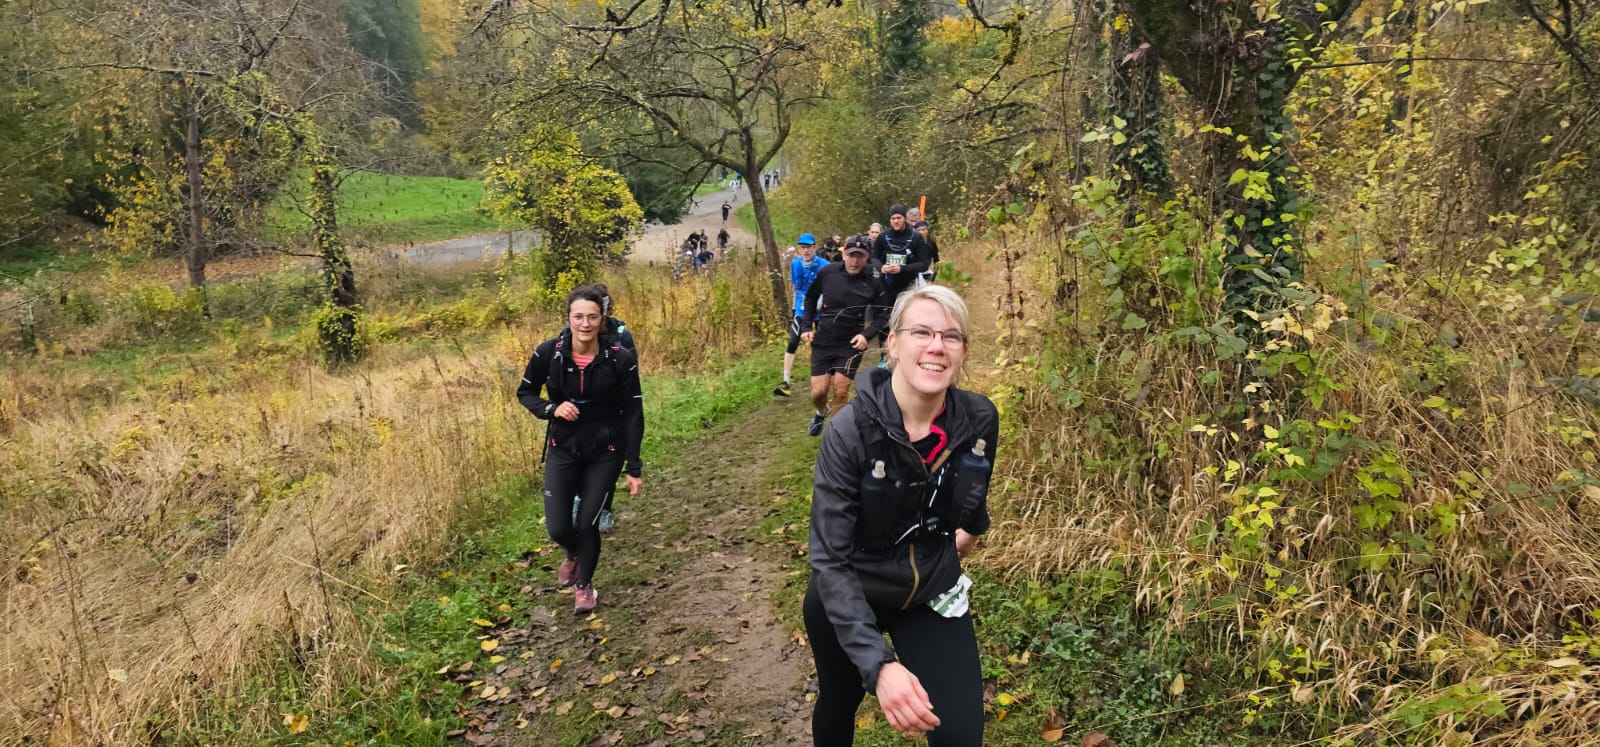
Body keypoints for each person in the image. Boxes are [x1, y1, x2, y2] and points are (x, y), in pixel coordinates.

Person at [806, 284, 997, 746]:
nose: (937, 346)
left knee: (960, 735)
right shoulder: (849, 431)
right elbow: (829, 559)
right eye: (922, 332)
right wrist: (881, 666)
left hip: (930, 588)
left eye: (951, 336)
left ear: (963, 350)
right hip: (853, 589)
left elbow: (973, 491)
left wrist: (970, 531)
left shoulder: (978, 418)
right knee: (838, 702)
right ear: (892, 343)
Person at [517, 287, 645, 614]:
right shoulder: (549, 353)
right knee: (558, 528)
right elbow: (526, 392)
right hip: (563, 448)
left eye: (592, 317)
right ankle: (573, 553)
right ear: (568, 318)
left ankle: (584, 587)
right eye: (578, 317)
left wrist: (633, 467)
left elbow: (633, 413)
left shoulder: (620, 358)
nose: (585, 324)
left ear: (602, 319)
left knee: (587, 523)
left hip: (606, 451)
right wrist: (552, 408)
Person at [800, 235, 890, 436]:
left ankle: (834, 435)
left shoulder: (873, 280)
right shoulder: (828, 272)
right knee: (818, 392)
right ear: (844, 255)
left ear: (866, 257)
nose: (855, 261)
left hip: (851, 343)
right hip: (824, 339)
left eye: (860, 256)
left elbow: (884, 313)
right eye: (851, 255)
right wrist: (806, 327)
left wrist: (866, 335)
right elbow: (810, 298)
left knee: (841, 390)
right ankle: (821, 412)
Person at [775, 233, 828, 397]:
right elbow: (796, 288)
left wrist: (823, 302)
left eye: (809, 247)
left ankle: (822, 379)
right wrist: (794, 309)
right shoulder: (795, 263)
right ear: (799, 249)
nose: (806, 251)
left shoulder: (824, 265)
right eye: (803, 247)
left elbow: (830, 286)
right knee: (793, 341)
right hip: (801, 308)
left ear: (815, 248)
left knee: (819, 345)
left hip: (820, 308)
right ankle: (785, 382)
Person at [871, 204, 933, 300]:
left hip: (909, 287)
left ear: (905, 219)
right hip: (886, 285)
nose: (896, 221)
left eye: (899, 218)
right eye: (893, 218)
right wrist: (881, 267)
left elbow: (924, 264)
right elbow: (874, 258)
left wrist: (901, 268)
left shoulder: (916, 237)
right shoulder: (883, 236)